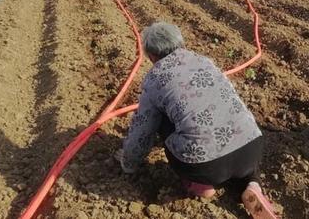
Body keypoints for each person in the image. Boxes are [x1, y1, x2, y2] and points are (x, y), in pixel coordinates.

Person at [116, 22, 277, 219]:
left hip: (204, 166)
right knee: (230, 126)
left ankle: (200, 185)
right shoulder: (204, 61)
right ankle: (252, 183)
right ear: (181, 44)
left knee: (161, 119)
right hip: (252, 147)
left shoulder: (154, 78)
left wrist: (128, 163)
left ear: (151, 55)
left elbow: (143, 129)